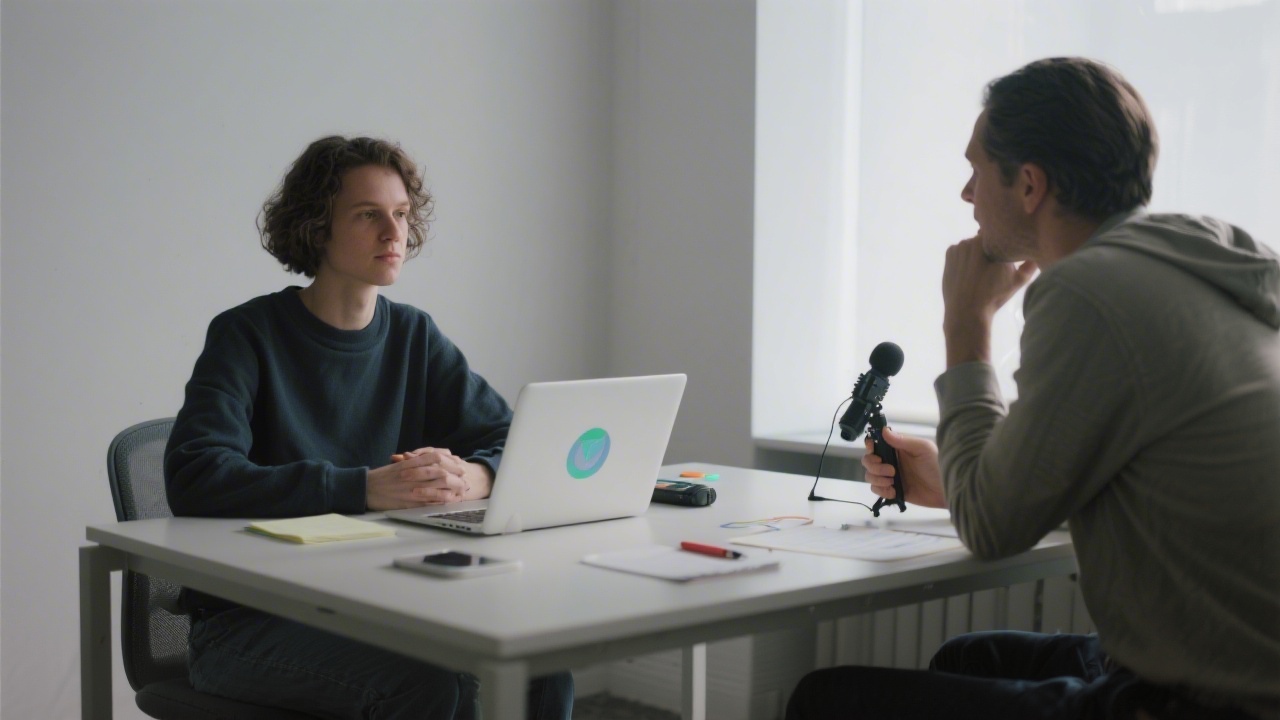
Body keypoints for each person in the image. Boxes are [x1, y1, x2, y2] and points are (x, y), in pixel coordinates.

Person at [786, 57, 1279, 720]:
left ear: (1028, 185)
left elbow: (993, 528)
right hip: (1242, 664)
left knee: (826, 699)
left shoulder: (1090, 292)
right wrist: (953, 479)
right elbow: (1085, 480)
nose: (966, 194)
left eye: (976, 170)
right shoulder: (1197, 261)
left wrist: (966, 325)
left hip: (1208, 702)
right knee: (969, 659)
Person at [164, 135, 574, 719]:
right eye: (368, 215)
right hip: (248, 624)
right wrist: (362, 488)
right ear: (316, 228)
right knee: (428, 686)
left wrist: (478, 476)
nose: (394, 233)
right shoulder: (245, 335)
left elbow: (517, 440)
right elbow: (195, 474)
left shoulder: (414, 335)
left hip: (377, 602)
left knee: (540, 667)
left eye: (402, 214)